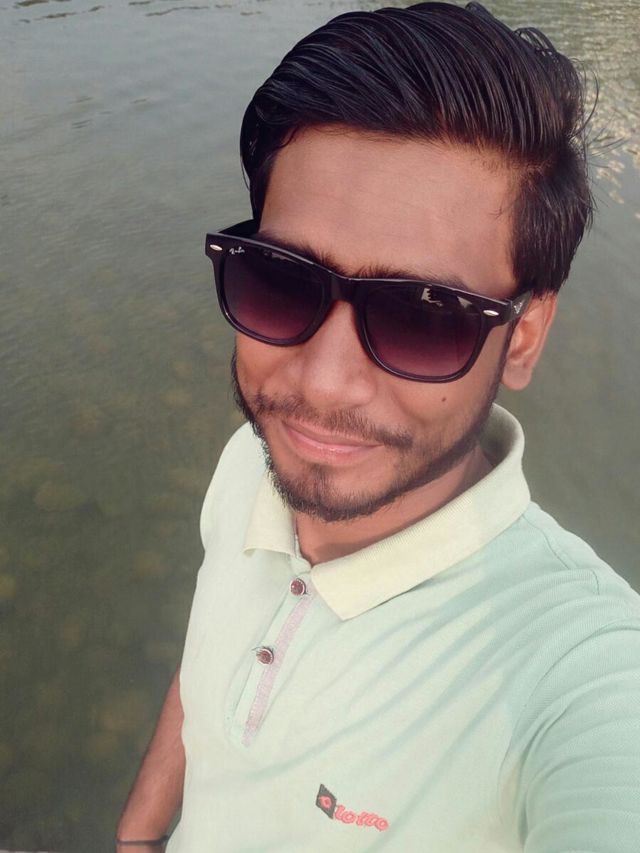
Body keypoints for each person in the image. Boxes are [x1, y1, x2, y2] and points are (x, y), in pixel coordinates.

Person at [116, 2, 640, 851]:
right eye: (281, 279)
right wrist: (138, 835)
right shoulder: (252, 460)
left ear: (524, 338)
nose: (321, 383)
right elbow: (209, 656)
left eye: (424, 315)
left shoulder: (580, 675)